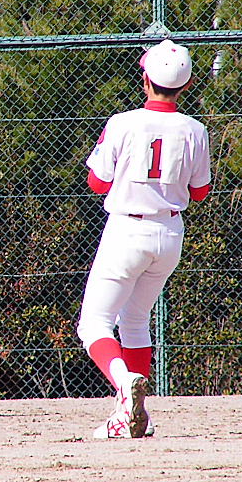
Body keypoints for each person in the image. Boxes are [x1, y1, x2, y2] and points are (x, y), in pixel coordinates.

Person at [76, 39, 212, 439]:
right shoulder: (195, 130)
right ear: (186, 85)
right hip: (169, 233)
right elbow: (200, 192)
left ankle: (124, 387)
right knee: (135, 321)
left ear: (146, 79)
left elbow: (97, 182)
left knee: (94, 325)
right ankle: (137, 415)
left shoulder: (123, 122)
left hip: (127, 229)